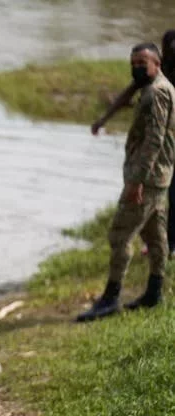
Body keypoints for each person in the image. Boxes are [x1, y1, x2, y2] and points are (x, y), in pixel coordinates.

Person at [78, 43, 175, 322]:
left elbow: (155, 139)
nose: (136, 68)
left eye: (141, 63)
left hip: (147, 178)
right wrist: (104, 118)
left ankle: (110, 298)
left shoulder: (157, 92)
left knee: (120, 235)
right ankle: (154, 293)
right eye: (132, 63)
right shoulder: (154, 86)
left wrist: (137, 180)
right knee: (156, 236)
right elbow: (128, 94)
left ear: (156, 63)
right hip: (158, 177)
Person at [91, 30, 175, 257]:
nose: (172, 49)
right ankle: (165, 246)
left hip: (164, 142)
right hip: (164, 144)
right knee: (162, 196)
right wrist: (103, 119)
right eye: (169, 45)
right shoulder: (157, 70)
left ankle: (167, 246)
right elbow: (128, 93)